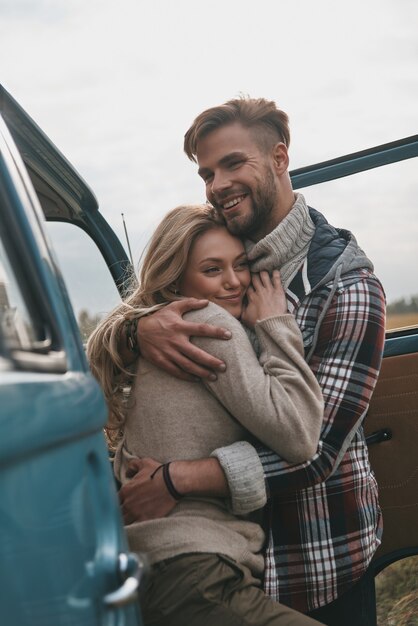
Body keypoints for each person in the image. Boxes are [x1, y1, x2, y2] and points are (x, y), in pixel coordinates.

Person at [118, 97, 386, 626]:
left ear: (280, 159)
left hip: (318, 558)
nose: (218, 185)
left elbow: (313, 451)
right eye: (207, 173)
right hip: (225, 558)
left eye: (234, 164)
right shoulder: (221, 254)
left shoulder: (347, 289)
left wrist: (177, 480)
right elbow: (157, 295)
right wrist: (135, 324)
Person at [87, 203, 324, 626]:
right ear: (177, 278)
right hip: (197, 571)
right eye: (213, 270)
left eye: (240, 265)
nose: (233, 282)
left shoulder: (162, 326)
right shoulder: (207, 323)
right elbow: (298, 433)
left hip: (165, 569)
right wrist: (275, 322)